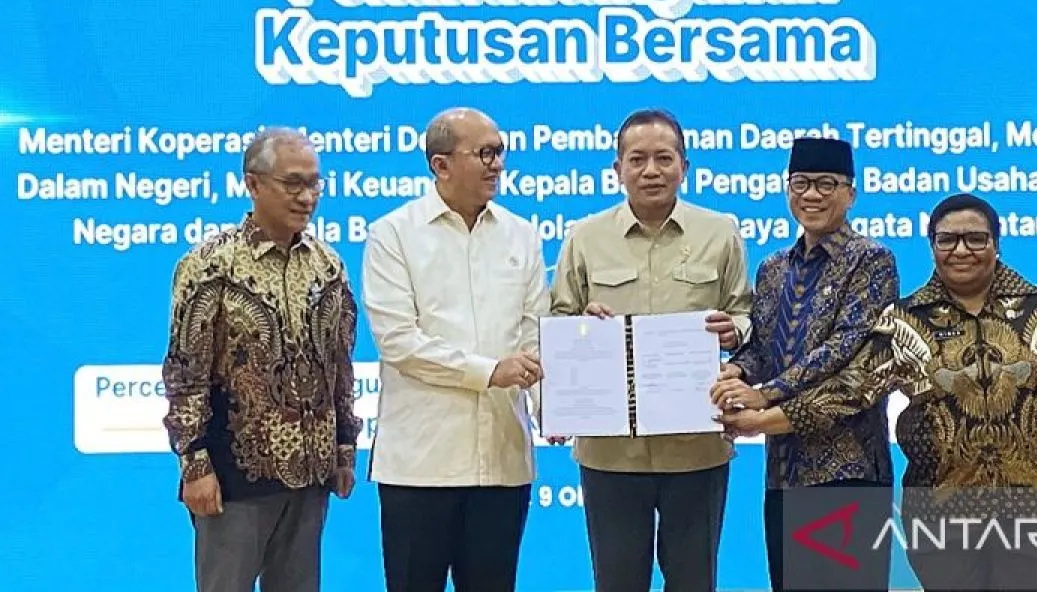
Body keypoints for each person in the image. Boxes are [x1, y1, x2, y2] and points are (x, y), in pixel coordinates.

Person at [723, 193, 1037, 592]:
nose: (961, 250)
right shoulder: (905, 322)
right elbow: (849, 390)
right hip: (941, 515)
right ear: (932, 246)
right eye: (947, 239)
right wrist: (761, 420)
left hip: (1036, 510)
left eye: (975, 239)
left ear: (996, 244)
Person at [548, 108, 753, 592]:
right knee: (617, 582)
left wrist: (735, 330)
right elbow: (557, 322)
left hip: (696, 448)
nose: (651, 170)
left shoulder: (719, 232)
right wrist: (583, 329)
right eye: (637, 159)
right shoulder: (585, 236)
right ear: (617, 169)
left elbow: (745, 313)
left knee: (694, 581)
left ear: (685, 166)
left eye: (664, 158)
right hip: (611, 452)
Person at [161, 127, 362, 592]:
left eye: (314, 183)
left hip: (311, 477)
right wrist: (194, 465)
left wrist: (344, 447)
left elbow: (340, 366)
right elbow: (185, 374)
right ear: (252, 184)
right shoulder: (210, 265)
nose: (307, 197)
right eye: (293, 183)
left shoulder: (328, 265)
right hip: (233, 479)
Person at [361, 107, 548, 592]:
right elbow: (399, 342)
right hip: (420, 467)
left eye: (500, 152)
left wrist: (558, 408)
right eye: (484, 153)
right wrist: (489, 372)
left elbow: (535, 337)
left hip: (502, 463)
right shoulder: (393, 234)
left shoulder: (522, 235)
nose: (497, 164)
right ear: (440, 165)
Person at [711, 137, 899, 592]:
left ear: (850, 193)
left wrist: (764, 395)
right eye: (801, 183)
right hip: (783, 471)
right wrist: (736, 371)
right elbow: (761, 347)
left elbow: (844, 347)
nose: (811, 194)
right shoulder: (774, 268)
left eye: (826, 184)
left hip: (848, 469)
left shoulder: (871, 261)